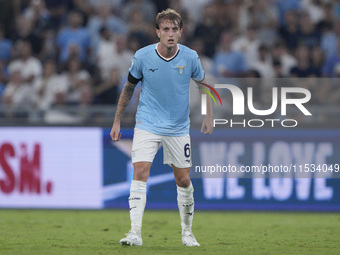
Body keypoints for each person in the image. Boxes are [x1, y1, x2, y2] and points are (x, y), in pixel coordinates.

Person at [110, 8, 213, 247]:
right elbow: (128, 88)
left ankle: (187, 233)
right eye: (165, 29)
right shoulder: (143, 57)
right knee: (140, 171)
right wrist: (117, 120)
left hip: (178, 127)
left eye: (174, 29)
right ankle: (134, 232)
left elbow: (204, 85)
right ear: (157, 32)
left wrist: (209, 115)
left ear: (180, 32)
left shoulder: (190, 57)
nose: (170, 33)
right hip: (148, 123)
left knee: (184, 180)